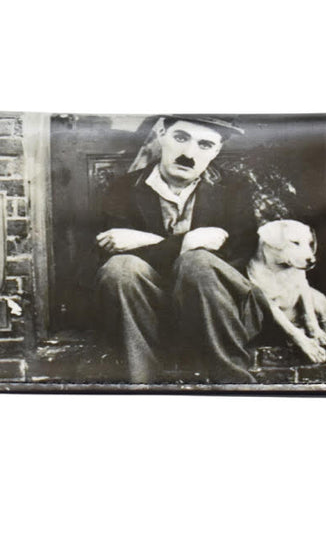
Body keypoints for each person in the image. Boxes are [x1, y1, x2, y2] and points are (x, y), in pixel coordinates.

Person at [95, 116, 266, 384]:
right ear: (162, 134)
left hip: (220, 314)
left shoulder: (234, 188)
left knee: (198, 263)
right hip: (150, 315)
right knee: (122, 268)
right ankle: (141, 386)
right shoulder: (124, 188)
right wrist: (186, 241)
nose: (188, 153)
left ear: (217, 150)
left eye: (204, 144)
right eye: (181, 138)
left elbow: (235, 258)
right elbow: (109, 252)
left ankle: (233, 384)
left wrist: (146, 242)